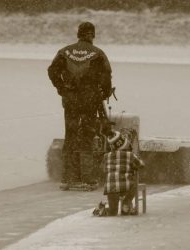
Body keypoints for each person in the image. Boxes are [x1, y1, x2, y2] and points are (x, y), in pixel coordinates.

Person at [47, 22, 112, 190]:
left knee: (71, 135)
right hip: (90, 100)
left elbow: (52, 70)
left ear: (78, 34)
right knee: (87, 137)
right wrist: (104, 93)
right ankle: (88, 179)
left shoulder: (65, 52)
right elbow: (106, 77)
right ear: (92, 35)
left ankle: (68, 178)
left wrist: (62, 88)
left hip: (71, 100)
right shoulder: (98, 54)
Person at [94, 130, 145, 216]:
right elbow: (141, 165)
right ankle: (126, 203)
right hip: (127, 187)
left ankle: (101, 210)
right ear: (125, 144)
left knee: (112, 212)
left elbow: (103, 169)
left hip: (111, 188)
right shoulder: (130, 155)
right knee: (134, 186)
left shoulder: (106, 156)